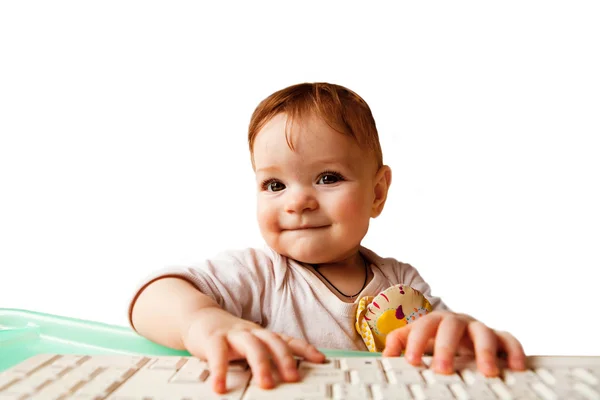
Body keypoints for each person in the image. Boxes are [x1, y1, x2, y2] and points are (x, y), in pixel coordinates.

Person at [128, 82, 526, 394]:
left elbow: (445, 346)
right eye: (274, 184)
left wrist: (462, 335)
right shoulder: (261, 274)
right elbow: (152, 295)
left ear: (377, 193)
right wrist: (204, 322)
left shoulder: (403, 283)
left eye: (328, 178)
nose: (297, 201)